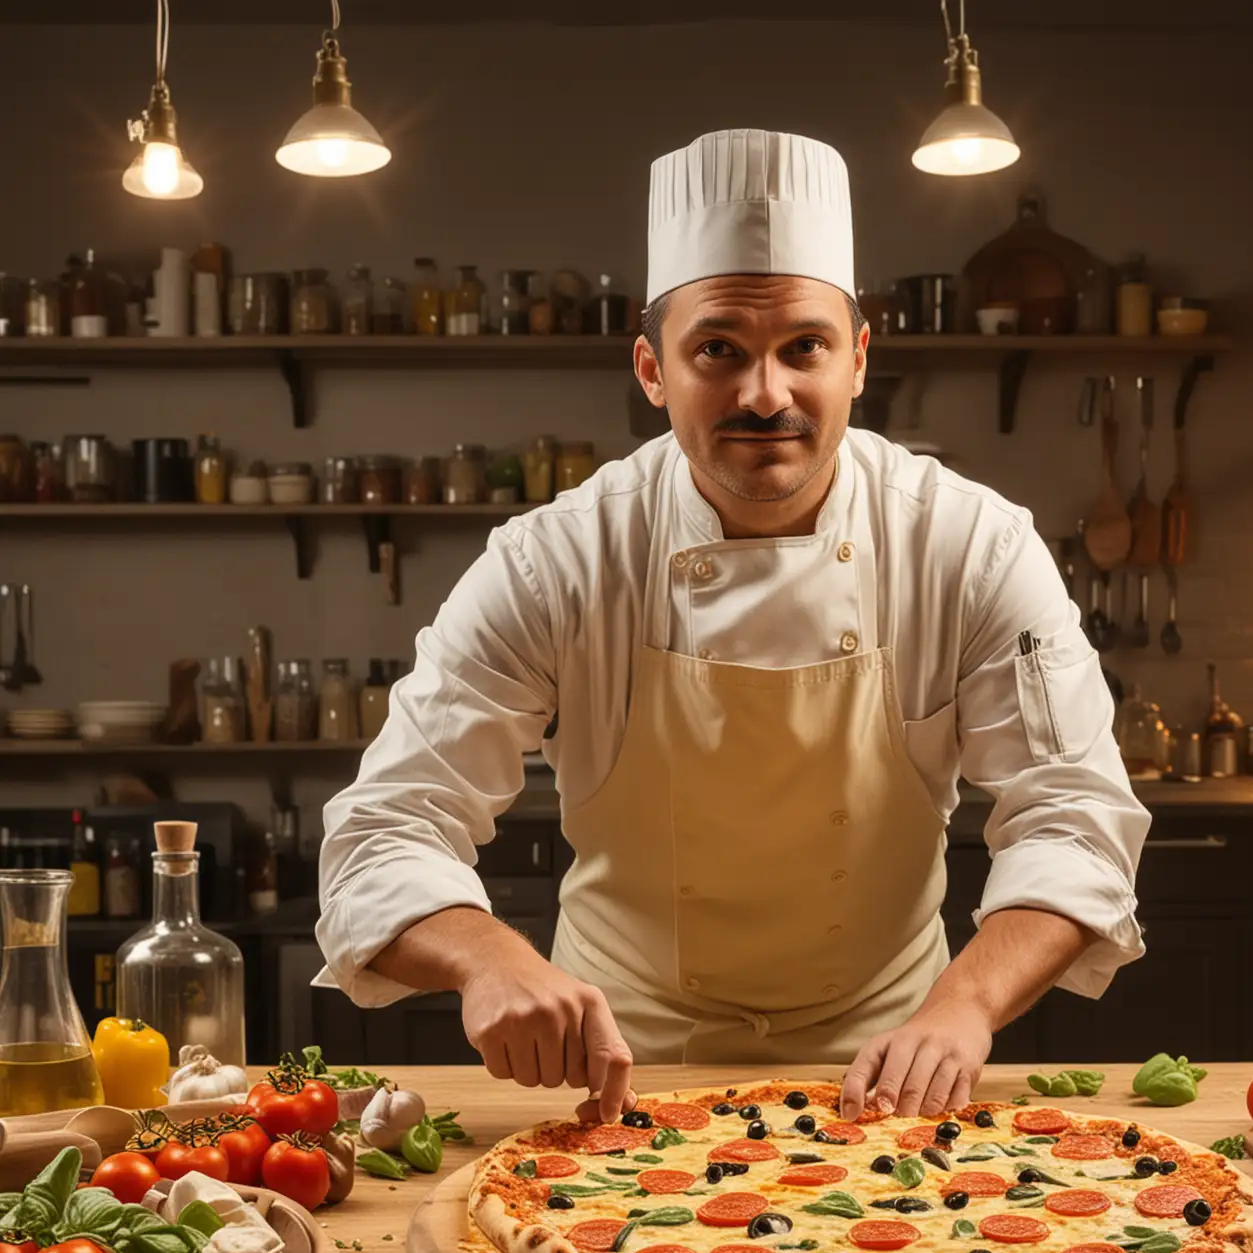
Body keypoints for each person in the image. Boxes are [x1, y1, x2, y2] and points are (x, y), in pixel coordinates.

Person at [317, 128, 1149, 1126]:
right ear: (652, 369)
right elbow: (385, 826)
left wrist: (965, 1008)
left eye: (805, 347)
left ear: (858, 362)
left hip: (893, 1067)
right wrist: (490, 959)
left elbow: (1074, 816)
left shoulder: (969, 545)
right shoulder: (558, 560)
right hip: (617, 1070)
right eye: (720, 349)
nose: (767, 394)